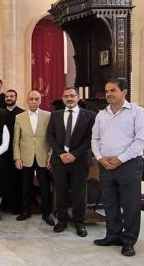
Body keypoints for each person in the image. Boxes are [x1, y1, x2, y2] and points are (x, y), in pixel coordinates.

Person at [91, 78, 144, 257]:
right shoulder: (101, 114)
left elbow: (140, 141)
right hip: (106, 166)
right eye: (107, 90)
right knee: (110, 203)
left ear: (124, 92)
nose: (108, 94)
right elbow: (95, 139)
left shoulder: (138, 113)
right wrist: (100, 158)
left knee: (130, 204)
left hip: (129, 165)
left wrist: (120, 159)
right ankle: (113, 235)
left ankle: (129, 241)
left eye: (113, 90)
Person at [47, 86, 96, 237]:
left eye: (72, 96)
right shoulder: (55, 115)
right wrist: (61, 153)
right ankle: (61, 220)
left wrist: (75, 154)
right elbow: (50, 135)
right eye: (66, 96)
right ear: (62, 98)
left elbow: (90, 137)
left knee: (79, 192)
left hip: (79, 160)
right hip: (59, 160)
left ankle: (79, 222)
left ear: (78, 98)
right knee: (60, 191)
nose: (69, 98)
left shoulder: (90, 115)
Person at [13, 90, 54, 226]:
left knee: (45, 187)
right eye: (31, 99)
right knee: (25, 186)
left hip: (43, 157)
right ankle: (26, 211)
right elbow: (16, 141)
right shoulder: (19, 117)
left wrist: (50, 156)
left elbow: (52, 139)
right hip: (26, 157)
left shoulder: (48, 116)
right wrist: (17, 157)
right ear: (27, 100)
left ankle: (47, 214)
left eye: (37, 99)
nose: (34, 101)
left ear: (40, 100)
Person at [3, 89, 25, 214]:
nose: (9, 98)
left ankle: (18, 207)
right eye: (7, 96)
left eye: (11, 96)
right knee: (5, 179)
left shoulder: (22, 113)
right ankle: (5, 206)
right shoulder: (0, 113)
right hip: (3, 153)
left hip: (18, 152)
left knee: (18, 180)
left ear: (16, 97)